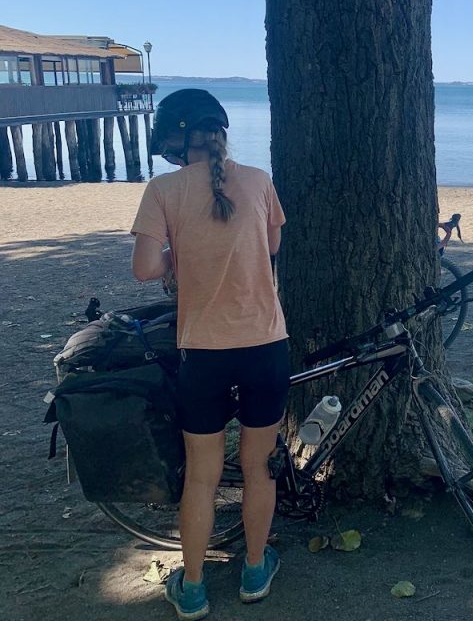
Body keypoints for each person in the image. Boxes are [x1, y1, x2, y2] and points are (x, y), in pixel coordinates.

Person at [130, 89, 289, 620]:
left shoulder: (163, 190)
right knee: (258, 467)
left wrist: (182, 251)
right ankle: (253, 571)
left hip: (202, 350)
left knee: (202, 475)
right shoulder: (260, 181)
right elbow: (271, 248)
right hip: (265, 344)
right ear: (219, 132)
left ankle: (193, 588)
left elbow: (145, 270)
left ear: (176, 142)